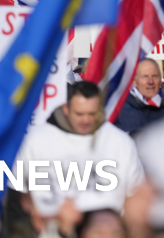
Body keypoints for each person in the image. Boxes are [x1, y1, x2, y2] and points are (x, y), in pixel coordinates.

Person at [15, 81, 143, 215]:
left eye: (92, 114)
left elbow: (136, 194)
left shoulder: (121, 143)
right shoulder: (35, 141)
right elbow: (18, 195)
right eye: (79, 114)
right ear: (66, 109)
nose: (86, 120)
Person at [114, 59, 164, 134]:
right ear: (134, 82)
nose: (150, 82)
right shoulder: (118, 112)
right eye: (145, 77)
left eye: (154, 76)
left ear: (160, 80)